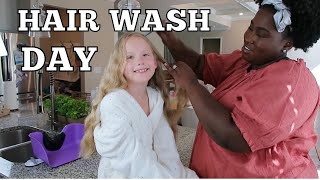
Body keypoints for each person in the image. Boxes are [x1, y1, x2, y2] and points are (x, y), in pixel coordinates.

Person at [157, 0, 320, 178]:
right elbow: (200, 64)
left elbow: (233, 136)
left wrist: (191, 85)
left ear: (287, 45)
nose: (249, 37)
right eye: (251, 27)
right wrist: (171, 41)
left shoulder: (292, 83)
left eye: (262, 34)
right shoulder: (247, 62)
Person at [80, 32, 197, 178]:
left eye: (145, 55)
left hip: (151, 169)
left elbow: (165, 148)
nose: (140, 61)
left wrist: (181, 175)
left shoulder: (155, 98)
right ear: (119, 65)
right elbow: (131, 160)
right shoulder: (113, 104)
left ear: (155, 62)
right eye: (130, 57)